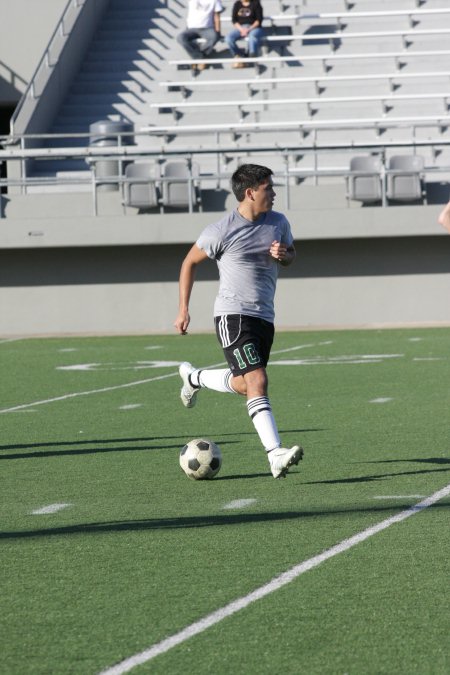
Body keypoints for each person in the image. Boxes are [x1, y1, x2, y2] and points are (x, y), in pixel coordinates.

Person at [174, 164, 304, 479]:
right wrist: (183, 309)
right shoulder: (220, 230)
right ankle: (275, 453)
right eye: (268, 188)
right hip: (233, 316)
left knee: (246, 384)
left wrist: (283, 255)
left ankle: (194, 379)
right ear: (250, 192)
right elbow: (189, 262)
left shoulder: (279, 222)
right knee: (258, 380)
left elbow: (291, 257)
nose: (273, 193)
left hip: (264, 317)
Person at [177, 0, 224, 71]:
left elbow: (217, 17)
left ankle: (199, 58)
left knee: (214, 37)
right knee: (180, 38)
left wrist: (218, 32)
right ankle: (201, 58)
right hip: (191, 28)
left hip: (207, 28)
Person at [226, 0, 264, 68]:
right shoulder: (237, 4)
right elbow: (234, 20)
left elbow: (259, 20)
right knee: (228, 38)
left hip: (254, 27)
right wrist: (242, 30)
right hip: (240, 28)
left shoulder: (256, 3)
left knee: (252, 36)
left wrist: (248, 29)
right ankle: (239, 55)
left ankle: (252, 54)